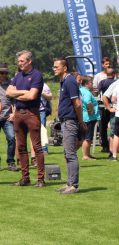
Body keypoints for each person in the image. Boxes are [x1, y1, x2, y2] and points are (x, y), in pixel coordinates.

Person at [6, 50, 45, 187]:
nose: (20, 64)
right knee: (21, 147)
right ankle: (25, 178)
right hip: (18, 113)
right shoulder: (18, 76)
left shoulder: (36, 75)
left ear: (29, 61)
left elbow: (32, 96)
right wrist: (23, 92)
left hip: (32, 113)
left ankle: (40, 179)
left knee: (36, 147)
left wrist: (16, 94)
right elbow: (8, 92)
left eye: (22, 61)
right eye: (18, 61)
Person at [53, 58, 87, 194]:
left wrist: (80, 122)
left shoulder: (69, 81)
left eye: (57, 67)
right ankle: (69, 183)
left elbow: (77, 104)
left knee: (71, 154)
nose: (54, 69)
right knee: (67, 153)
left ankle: (74, 185)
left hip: (70, 121)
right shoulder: (64, 81)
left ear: (65, 68)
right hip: (65, 121)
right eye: (53, 67)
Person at [0, 62, 18, 172]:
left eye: (5, 73)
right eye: (1, 73)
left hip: (7, 117)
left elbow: (15, 100)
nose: (4, 75)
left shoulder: (11, 84)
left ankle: (11, 162)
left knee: (11, 138)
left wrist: (14, 113)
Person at [79, 76, 100, 160]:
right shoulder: (86, 92)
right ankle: (85, 155)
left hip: (84, 116)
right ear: (86, 84)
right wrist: (91, 109)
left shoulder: (81, 90)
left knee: (86, 137)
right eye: (91, 82)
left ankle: (88, 154)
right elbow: (87, 101)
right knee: (88, 137)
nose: (92, 84)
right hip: (89, 117)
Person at [97, 68, 115, 153]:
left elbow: (97, 91)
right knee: (114, 127)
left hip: (104, 106)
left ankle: (105, 147)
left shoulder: (103, 82)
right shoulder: (116, 83)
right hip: (114, 107)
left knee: (103, 127)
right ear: (114, 74)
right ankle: (114, 147)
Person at [102, 78, 119, 160]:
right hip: (116, 112)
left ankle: (114, 154)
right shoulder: (115, 84)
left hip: (118, 112)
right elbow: (105, 96)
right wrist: (109, 108)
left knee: (115, 134)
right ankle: (112, 152)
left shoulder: (116, 85)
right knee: (113, 133)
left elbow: (113, 99)